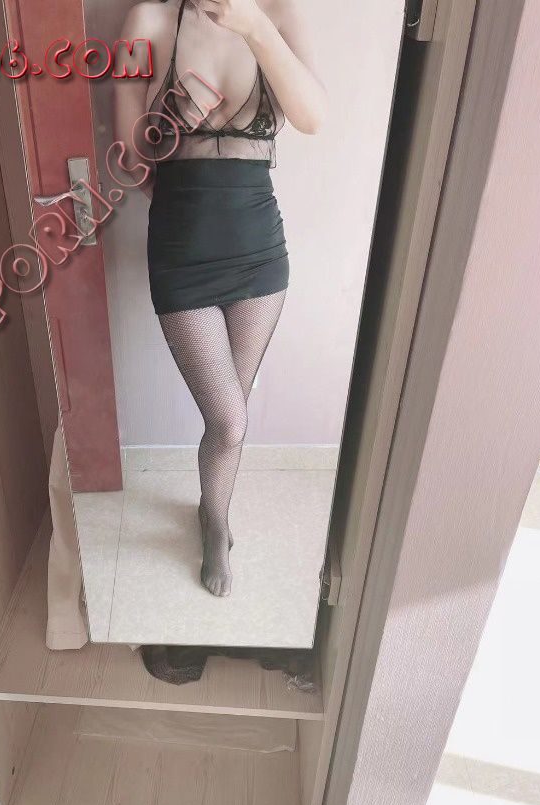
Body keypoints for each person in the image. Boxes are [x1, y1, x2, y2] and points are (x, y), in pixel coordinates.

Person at [114, 0, 326, 597]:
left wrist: (255, 26)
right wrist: (176, 154)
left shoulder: (279, 14)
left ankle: (214, 512)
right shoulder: (149, 21)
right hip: (181, 256)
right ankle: (213, 520)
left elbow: (312, 117)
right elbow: (131, 160)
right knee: (230, 418)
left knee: (230, 416)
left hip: (260, 255)